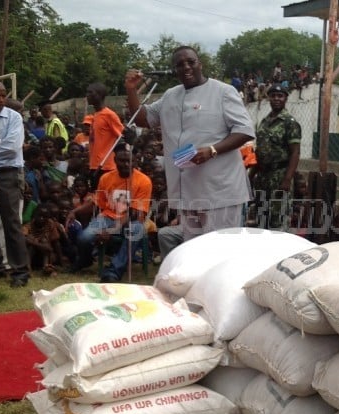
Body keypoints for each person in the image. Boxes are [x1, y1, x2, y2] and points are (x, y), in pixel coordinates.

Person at [124, 45, 255, 242]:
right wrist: (131, 90)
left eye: (190, 62)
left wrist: (212, 150)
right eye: (179, 64)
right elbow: (144, 119)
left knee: (219, 249)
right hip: (187, 190)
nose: (186, 67)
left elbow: (244, 130)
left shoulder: (223, 92)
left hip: (220, 191)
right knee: (193, 251)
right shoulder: (170, 95)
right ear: (174, 70)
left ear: (200, 64)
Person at [66, 143, 152, 282]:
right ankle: (85, 260)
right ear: (115, 160)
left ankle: (113, 271)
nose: (125, 164)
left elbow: (135, 213)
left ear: (135, 161)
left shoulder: (144, 181)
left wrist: (112, 230)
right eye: (121, 160)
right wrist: (74, 211)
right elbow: (96, 202)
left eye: (128, 160)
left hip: (132, 220)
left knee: (136, 230)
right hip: (107, 216)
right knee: (84, 238)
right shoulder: (106, 178)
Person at [0, 80, 30, 287]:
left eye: (2, 95)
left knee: (11, 223)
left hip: (7, 174)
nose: (0, 99)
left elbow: (11, 147)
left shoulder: (13, 117)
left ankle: (20, 272)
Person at [249, 83, 301, 229]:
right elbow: (260, 151)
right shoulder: (263, 122)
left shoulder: (290, 123)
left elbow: (295, 153)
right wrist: (251, 176)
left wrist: (287, 180)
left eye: (280, 96)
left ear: (285, 99)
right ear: (269, 98)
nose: (276, 99)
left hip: (279, 176)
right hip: (262, 177)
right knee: (261, 218)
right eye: (273, 96)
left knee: (278, 221)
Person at [86, 82, 124, 190]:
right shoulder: (95, 115)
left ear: (99, 94)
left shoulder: (109, 115)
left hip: (106, 166)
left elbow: (122, 137)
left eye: (90, 92)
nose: (87, 95)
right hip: (94, 165)